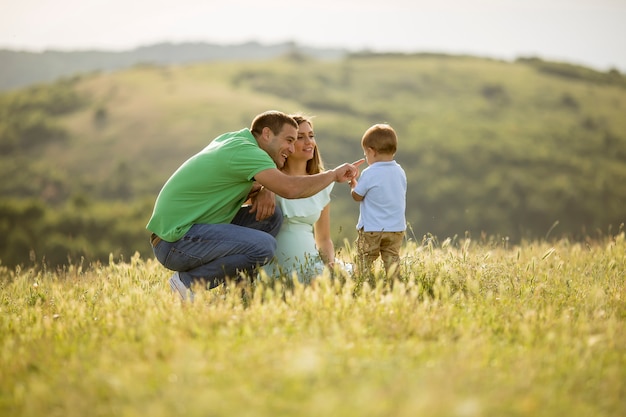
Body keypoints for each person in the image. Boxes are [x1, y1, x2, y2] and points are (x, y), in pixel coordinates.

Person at [146, 110, 361, 300]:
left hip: (191, 232)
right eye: (288, 140)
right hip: (175, 242)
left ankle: (240, 292)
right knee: (264, 246)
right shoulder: (249, 153)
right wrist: (333, 175)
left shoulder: (238, 142)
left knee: (271, 217)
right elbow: (290, 189)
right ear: (267, 134)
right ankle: (188, 284)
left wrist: (264, 188)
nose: (291, 147)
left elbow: (243, 180)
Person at [261, 114, 358, 283]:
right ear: (287, 144)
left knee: (351, 276)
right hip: (272, 269)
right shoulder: (269, 180)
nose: (309, 142)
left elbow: (323, 238)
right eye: (300, 137)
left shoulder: (322, 184)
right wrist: (265, 188)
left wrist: (330, 263)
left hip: (310, 267)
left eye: (311, 136)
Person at [349, 123, 407, 278]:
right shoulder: (400, 171)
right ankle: (396, 285)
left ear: (371, 151)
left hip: (372, 228)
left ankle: (363, 283)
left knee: (364, 260)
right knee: (392, 260)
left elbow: (357, 196)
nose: (366, 157)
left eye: (365, 154)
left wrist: (353, 184)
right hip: (396, 228)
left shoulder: (370, 172)